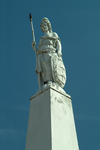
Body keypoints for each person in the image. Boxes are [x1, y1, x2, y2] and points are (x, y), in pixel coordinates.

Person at [32, 17, 66, 89]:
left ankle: (53, 81)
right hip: (42, 55)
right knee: (45, 69)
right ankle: (47, 81)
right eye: (42, 26)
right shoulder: (41, 39)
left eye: (45, 25)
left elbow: (58, 43)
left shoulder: (54, 34)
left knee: (51, 67)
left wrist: (59, 51)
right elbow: (38, 51)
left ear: (48, 25)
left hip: (51, 53)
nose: (43, 27)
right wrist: (34, 47)